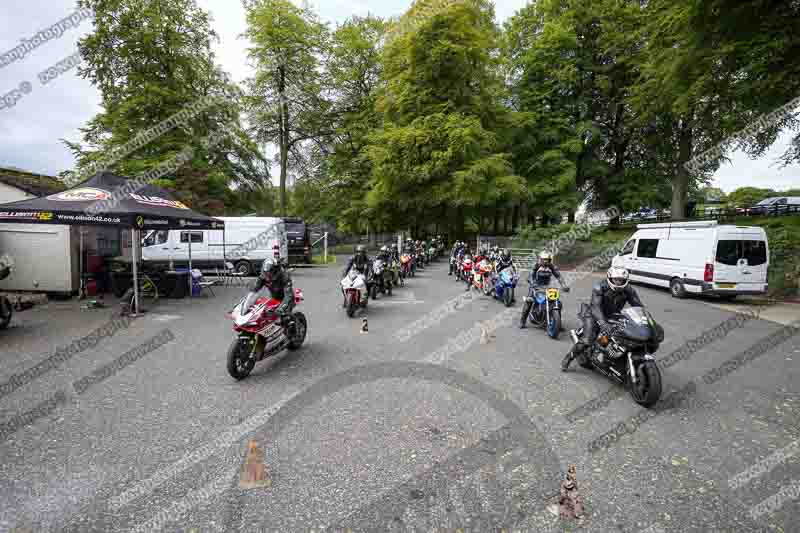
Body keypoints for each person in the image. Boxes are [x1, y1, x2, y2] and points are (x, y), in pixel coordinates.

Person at [561, 265, 643, 371]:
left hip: (614, 314)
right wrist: (603, 323)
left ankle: (616, 356)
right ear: (610, 278)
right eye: (616, 280)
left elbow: (638, 306)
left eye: (621, 280)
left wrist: (643, 319)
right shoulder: (600, 287)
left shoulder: (629, 290)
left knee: (626, 335)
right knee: (588, 339)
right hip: (594, 314)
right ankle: (569, 358)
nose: (618, 282)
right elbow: (596, 306)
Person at [519, 251, 569, 329]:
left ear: (549, 260)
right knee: (529, 301)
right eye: (543, 259)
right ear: (540, 259)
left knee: (557, 302)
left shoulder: (552, 266)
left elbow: (559, 276)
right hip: (536, 286)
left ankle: (558, 324)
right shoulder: (536, 266)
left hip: (547, 287)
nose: (545, 261)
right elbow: (530, 276)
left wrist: (564, 285)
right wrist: (532, 283)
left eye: (547, 259)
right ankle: (522, 321)